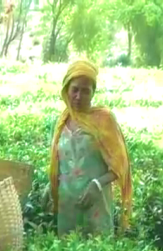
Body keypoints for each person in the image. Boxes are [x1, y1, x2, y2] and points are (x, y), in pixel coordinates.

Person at [43, 59, 133, 237]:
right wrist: (50, 185)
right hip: (67, 207)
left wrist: (97, 184)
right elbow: (62, 162)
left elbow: (120, 165)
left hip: (95, 206)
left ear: (93, 93)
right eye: (74, 89)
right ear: (66, 89)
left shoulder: (104, 120)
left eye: (85, 91)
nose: (78, 96)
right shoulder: (62, 121)